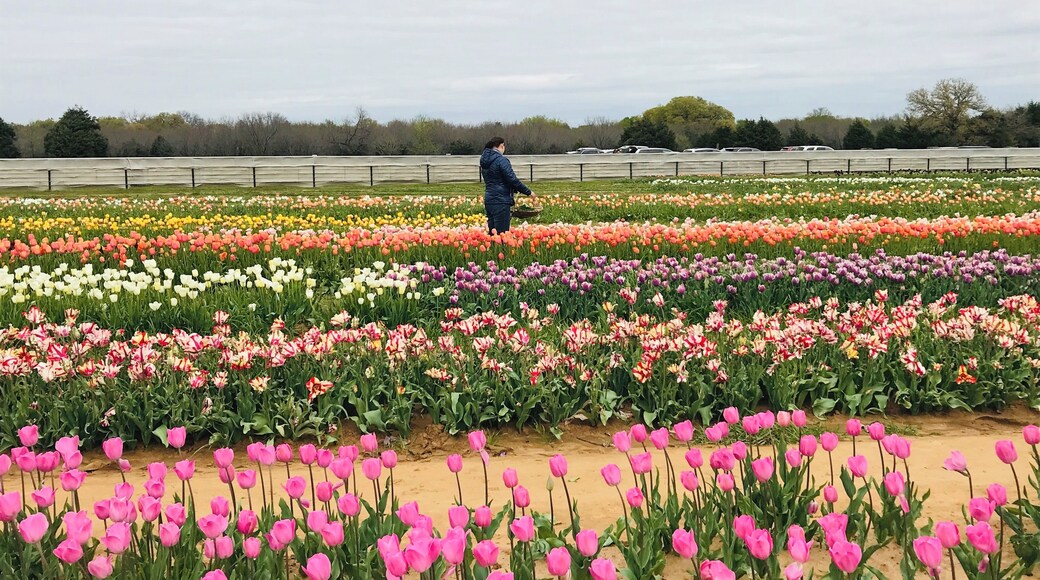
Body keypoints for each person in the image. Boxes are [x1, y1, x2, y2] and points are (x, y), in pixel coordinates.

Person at [480, 137, 533, 236]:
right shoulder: (501, 161)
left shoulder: (484, 162)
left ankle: (493, 251)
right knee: (502, 235)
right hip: (501, 201)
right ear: (501, 146)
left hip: (489, 200)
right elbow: (512, 179)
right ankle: (502, 251)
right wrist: (528, 192)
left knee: (492, 234)